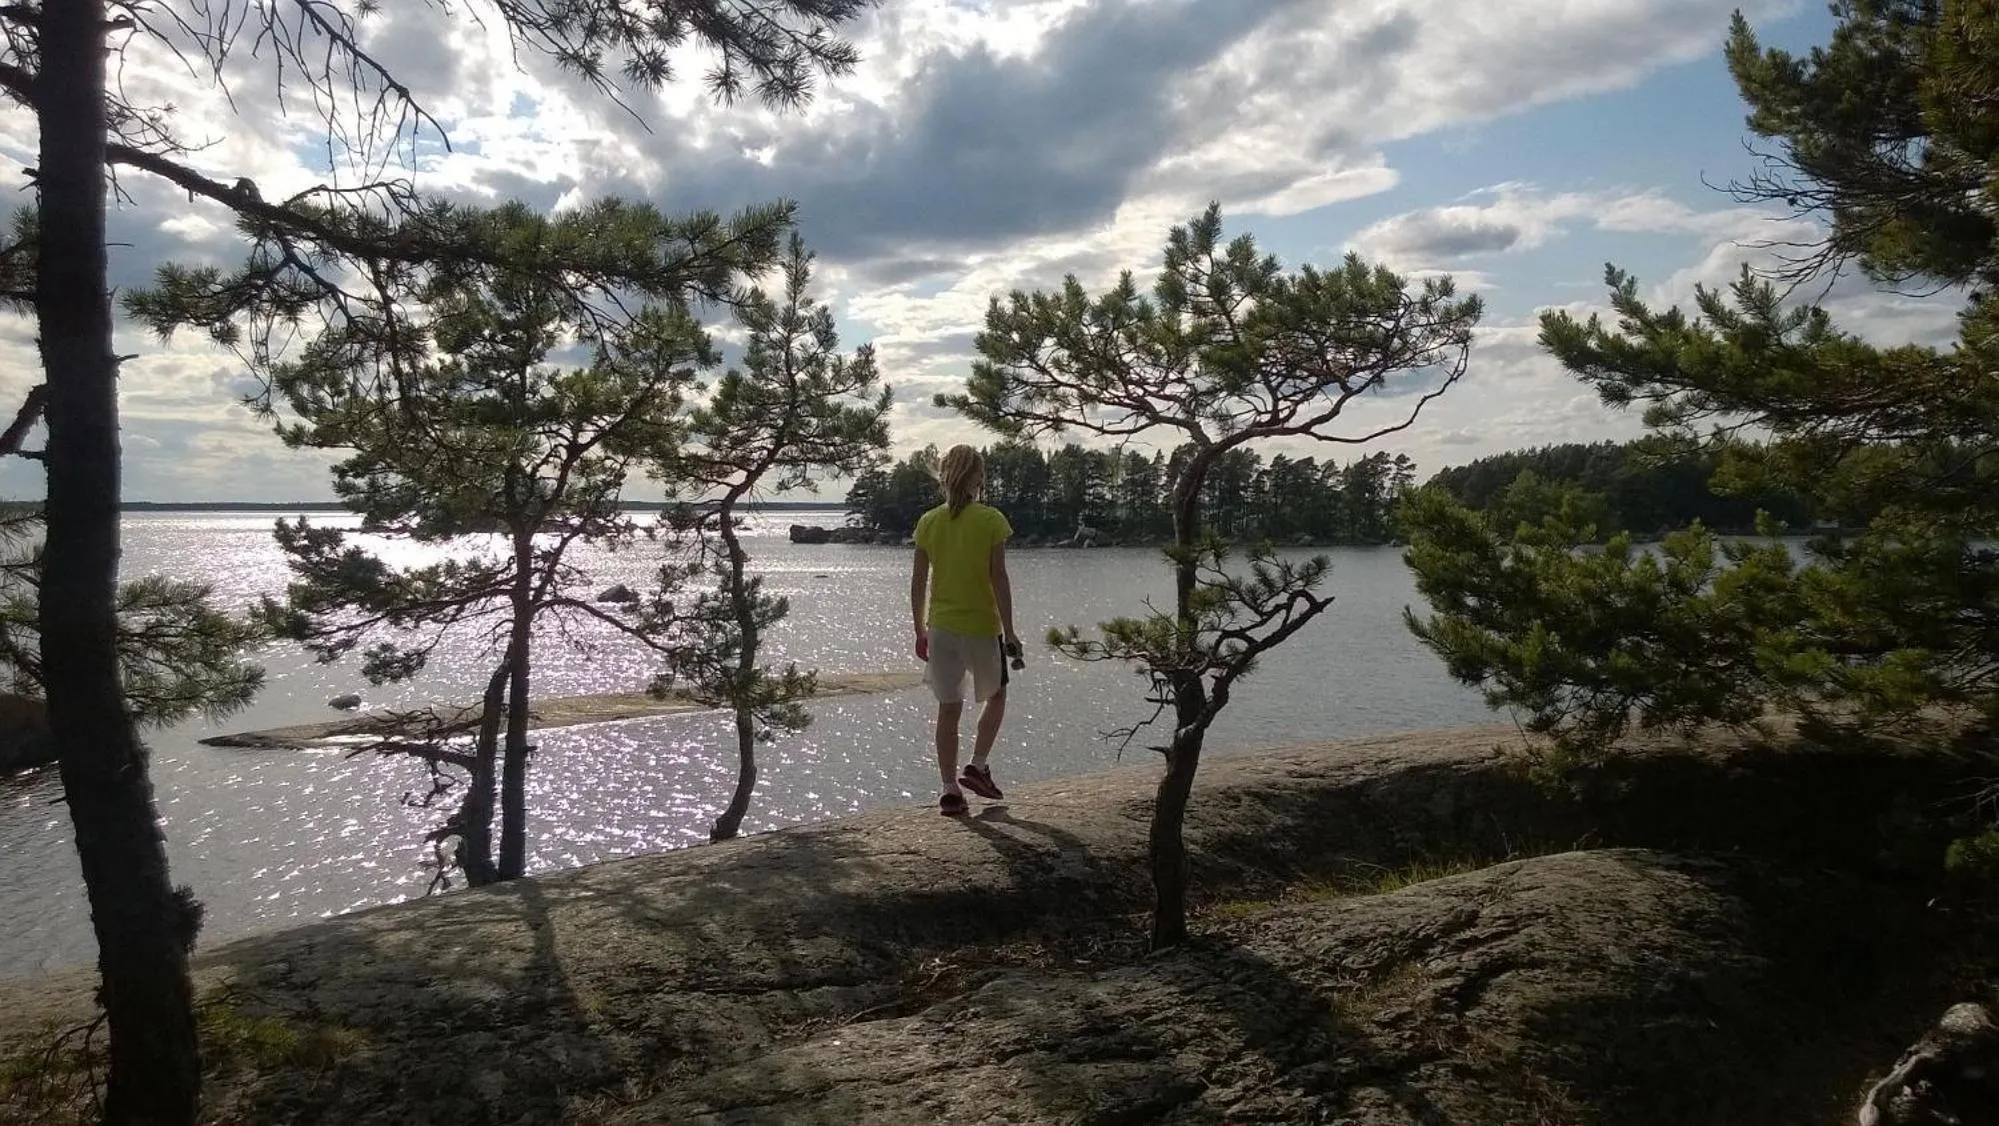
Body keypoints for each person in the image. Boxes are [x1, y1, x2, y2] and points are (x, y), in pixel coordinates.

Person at [910, 444, 1022, 816]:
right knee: (998, 694)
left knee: (948, 708)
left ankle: (948, 790)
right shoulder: (991, 520)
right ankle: (978, 764)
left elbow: (918, 581)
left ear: (944, 476)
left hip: (941, 628)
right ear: (976, 478)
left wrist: (919, 630)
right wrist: (1010, 631)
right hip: (980, 626)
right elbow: (999, 579)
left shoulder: (928, 522)